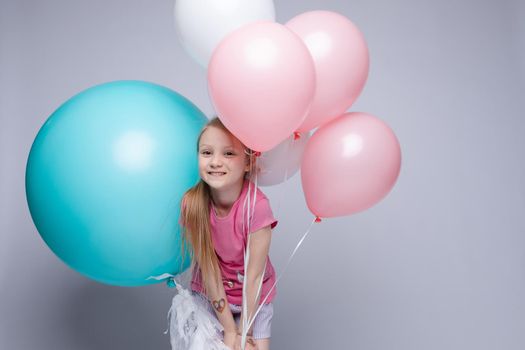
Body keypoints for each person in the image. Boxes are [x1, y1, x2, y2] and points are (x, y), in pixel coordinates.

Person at [179, 117, 278, 350]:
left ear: (247, 162)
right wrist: (230, 331)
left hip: (254, 299)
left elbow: (254, 277)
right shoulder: (192, 204)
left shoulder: (257, 206)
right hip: (210, 295)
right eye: (206, 153)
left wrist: (243, 332)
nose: (215, 162)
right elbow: (209, 270)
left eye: (229, 154)